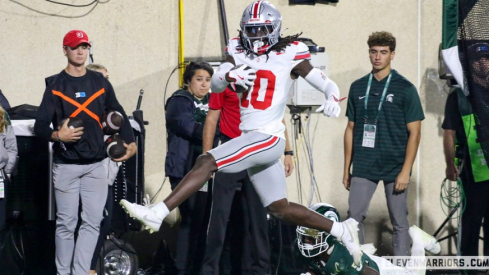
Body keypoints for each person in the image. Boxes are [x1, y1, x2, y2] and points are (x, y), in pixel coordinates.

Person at [121, 0, 364, 266]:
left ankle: (158, 212)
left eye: (261, 30)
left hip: (267, 137)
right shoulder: (237, 49)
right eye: (251, 30)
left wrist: (332, 95)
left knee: (207, 161)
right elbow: (216, 83)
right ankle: (341, 229)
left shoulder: (291, 51)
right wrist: (229, 76)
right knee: (278, 208)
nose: (256, 36)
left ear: (274, 29)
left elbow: (320, 79)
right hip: (252, 137)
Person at [33, 30, 137, 275]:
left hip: (96, 164)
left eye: (84, 46)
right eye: (75, 47)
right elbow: (39, 126)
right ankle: (63, 272)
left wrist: (131, 143)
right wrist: (58, 135)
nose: (80, 51)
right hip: (66, 165)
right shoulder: (56, 85)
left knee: (92, 223)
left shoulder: (100, 82)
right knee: (66, 224)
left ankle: (80, 272)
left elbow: (118, 112)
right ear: (65, 50)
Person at [342, 31, 425, 256]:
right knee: (353, 220)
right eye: (374, 52)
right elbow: (350, 129)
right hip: (364, 164)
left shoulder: (405, 88)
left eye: (383, 52)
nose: (378, 57)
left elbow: (415, 133)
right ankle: (357, 267)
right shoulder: (358, 87)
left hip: (395, 165)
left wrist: (406, 171)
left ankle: (403, 270)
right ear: (369, 53)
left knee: (399, 221)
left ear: (392, 55)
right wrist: (346, 168)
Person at [201, 86, 294, 274]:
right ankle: (209, 270)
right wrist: (206, 158)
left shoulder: (265, 80)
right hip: (231, 150)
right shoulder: (226, 82)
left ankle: (262, 269)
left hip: (258, 152)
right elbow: (211, 119)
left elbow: (277, 118)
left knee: (258, 218)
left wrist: (288, 152)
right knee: (219, 217)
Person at [164, 61, 215, 274]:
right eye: (199, 79)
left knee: (204, 221)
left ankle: (199, 267)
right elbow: (185, 125)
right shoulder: (179, 100)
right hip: (184, 168)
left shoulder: (214, 101)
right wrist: (212, 130)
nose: (204, 85)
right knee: (190, 219)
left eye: (207, 80)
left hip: (207, 170)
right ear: (188, 82)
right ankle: (182, 268)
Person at [442, 42, 489, 266]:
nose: (483, 62)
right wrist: (450, 164)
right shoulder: (459, 96)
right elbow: (449, 133)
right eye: (478, 59)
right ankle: (468, 269)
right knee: (471, 223)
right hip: (472, 173)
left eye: (486, 58)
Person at [296, 203, 441, 275]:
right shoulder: (307, 250)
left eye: (312, 237)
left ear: (328, 235)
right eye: (304, 236)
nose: (306, 242)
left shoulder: (340, 258)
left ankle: (419, 241)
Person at [85, 63, 118, 275]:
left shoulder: (112, 110)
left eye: (107, 77)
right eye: (100, 77)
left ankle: (91, 269)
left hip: (106, 177)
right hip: (86, 177)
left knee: (104, 223)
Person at [0, 106, 18, 244]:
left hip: (0, 176)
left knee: (1, 222)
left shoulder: (2, 115)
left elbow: (11, 148)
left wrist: (7, 172)